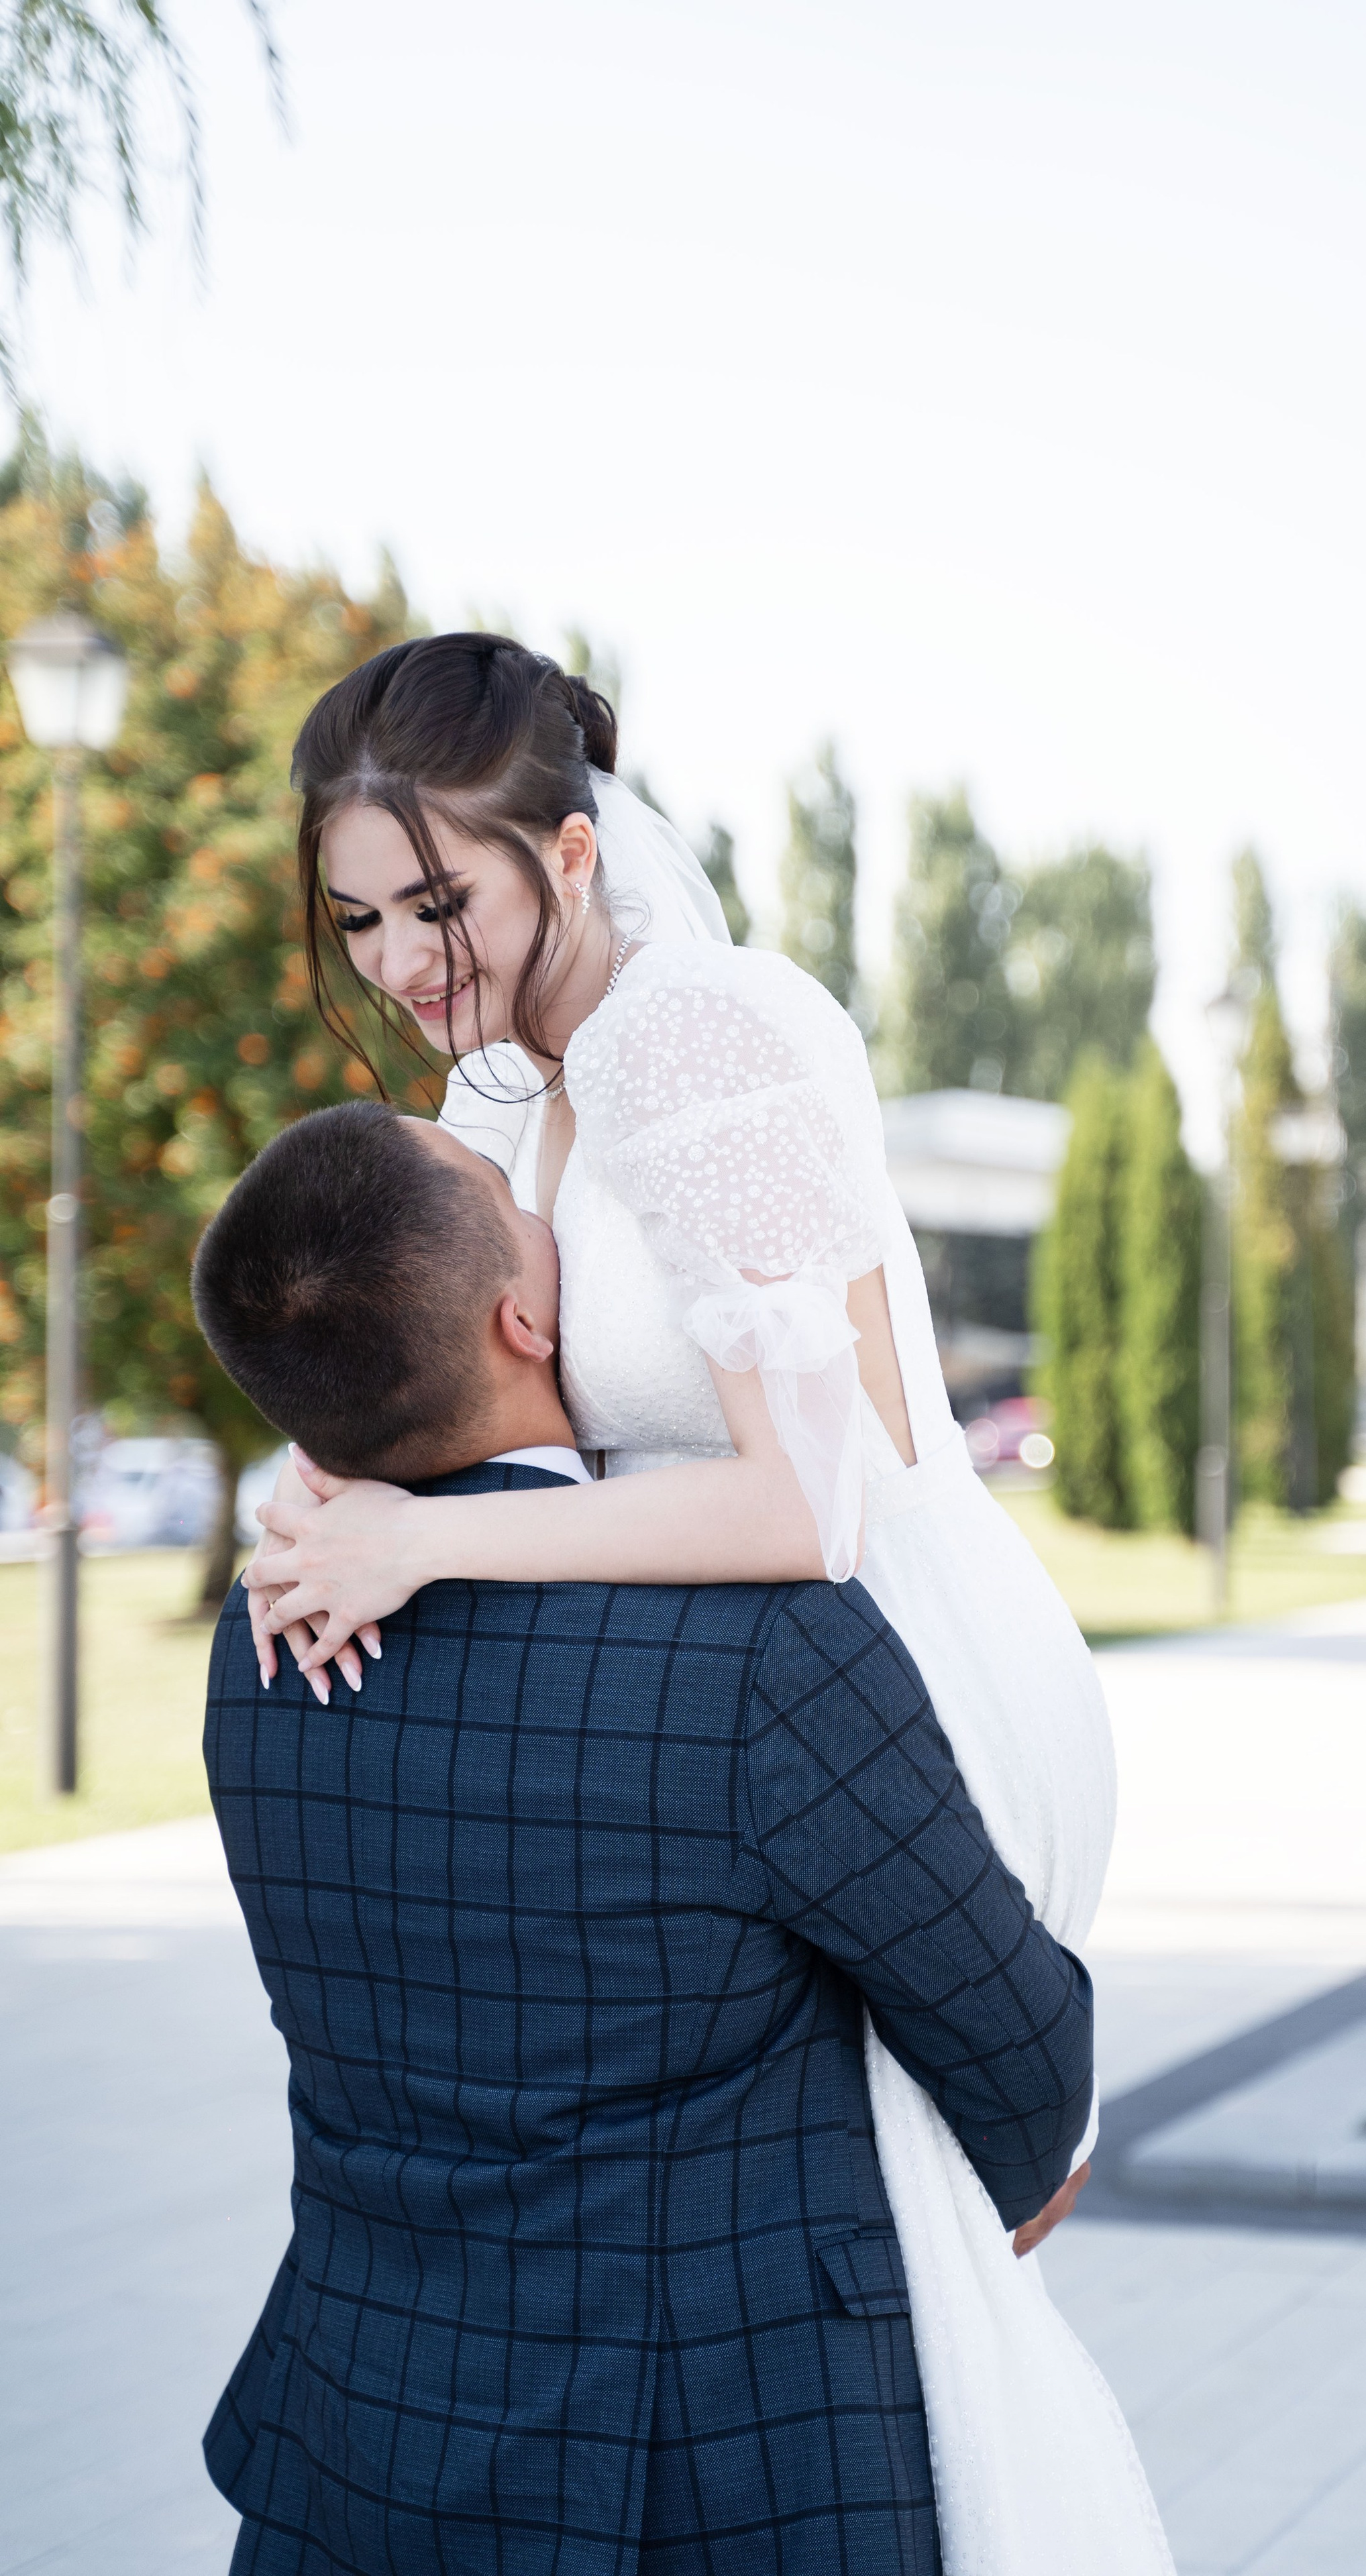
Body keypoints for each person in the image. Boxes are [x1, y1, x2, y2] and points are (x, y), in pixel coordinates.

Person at [241, 635, 1173, 2571]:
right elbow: (455, 1373)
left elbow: (812, 1505)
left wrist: (426, 1546)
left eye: (442, 902)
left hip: (862, 1670)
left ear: (573, 860)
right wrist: (317, 1492)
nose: (405, 963)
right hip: (704, 1700)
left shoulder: (692, 1034)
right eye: (360, 922)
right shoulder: (512, 1088)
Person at [191, 1099, 1098, 2575]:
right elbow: (1019, 2054)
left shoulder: (269, 1635)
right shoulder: (756, 1651)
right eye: (504, 1182)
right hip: (707, 2487)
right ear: (524, 1316)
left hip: (348, 2446)